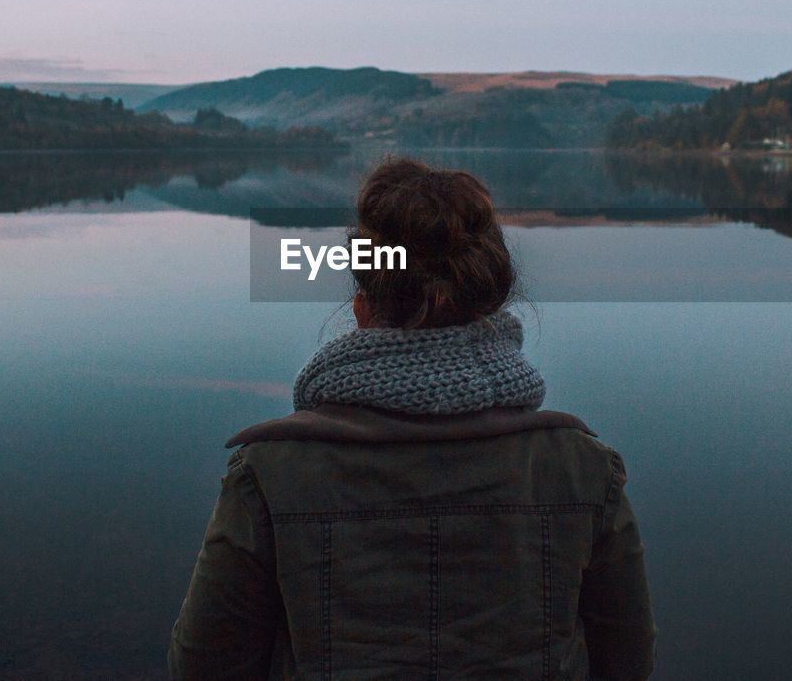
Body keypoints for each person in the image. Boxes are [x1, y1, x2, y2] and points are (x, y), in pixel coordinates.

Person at [169, 158, 656, 679]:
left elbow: (203, 667)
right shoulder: (583, 470)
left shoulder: (267, 477)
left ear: (362, 310)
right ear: (489, 311)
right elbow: (626, 663)